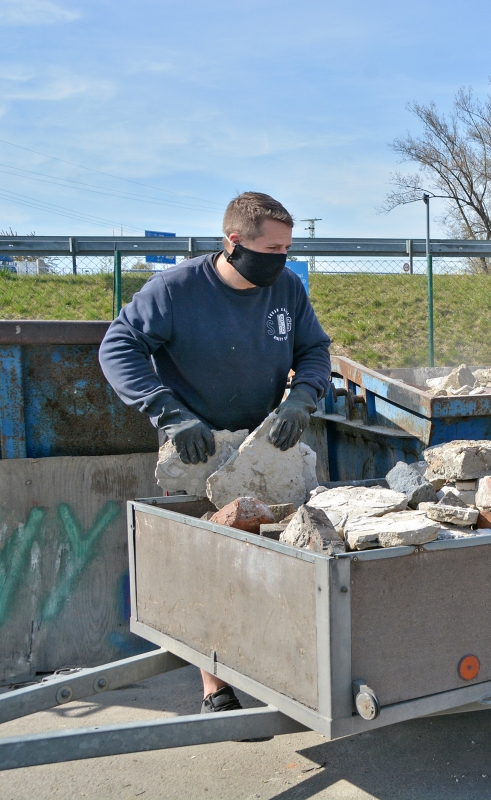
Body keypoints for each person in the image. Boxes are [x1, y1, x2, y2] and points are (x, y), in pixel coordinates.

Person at [99, 192, 331, 714]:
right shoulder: (177, 290)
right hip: (197, 450)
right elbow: (118, 345)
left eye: (289, 248)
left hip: (268, 447)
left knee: (284, 555)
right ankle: (215, 686)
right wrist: (169, 413)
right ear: (235, 243)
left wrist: (302, 399)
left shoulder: (287, 289)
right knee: (209, 566)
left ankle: (285, 668)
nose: (284, 258)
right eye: (273, 248)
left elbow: (314, 349)